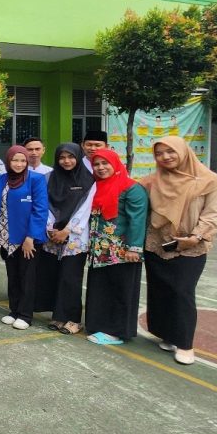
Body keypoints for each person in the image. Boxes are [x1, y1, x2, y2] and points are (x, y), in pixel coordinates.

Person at [140, 136, 217, 365]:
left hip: (190, 246)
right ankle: (168, 335)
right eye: (159, 153)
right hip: (157, 244)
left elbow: (211, 214)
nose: (165, 157)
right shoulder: (151, 181)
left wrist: (195, 237)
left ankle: (185, 344)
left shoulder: (208, 180)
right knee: (160, 291)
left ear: (183, 152)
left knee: (182, 291)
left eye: (171, 151)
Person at [84, 148, 147, 346]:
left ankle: (116, 331)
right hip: (99, 250)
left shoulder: (131, 188)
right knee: (101, 289)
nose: (101, 168)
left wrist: (134, 248)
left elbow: (138, 219)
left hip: (122, 251)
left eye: (105, 163)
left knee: (121, 290)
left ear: (115, 164)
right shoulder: (96, 186)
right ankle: (98, 325)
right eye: (96, 164)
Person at [37, 143, 95, 335]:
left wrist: (67, 230)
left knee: (71, 278)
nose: (66, 161)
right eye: (62, 157)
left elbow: (85, 210)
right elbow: (43, 204)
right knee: (54, 276)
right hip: (52, 236)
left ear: (78, 158)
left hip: (75, 238)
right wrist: (51, 228)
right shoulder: (49, 178)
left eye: (71, 157)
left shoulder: (89, 180)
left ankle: (73, 319)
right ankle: (59, 315)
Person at [0, 146, 49, 330]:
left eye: (22, 161)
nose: (19, 164)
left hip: (28, 239)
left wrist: (31, 237)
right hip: (7, 236)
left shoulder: (36, 179)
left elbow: (40, 210)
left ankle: (26, 315)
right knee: (13, 276)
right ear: (8, 161)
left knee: (27, 277)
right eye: (15, 160)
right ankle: (14, 311)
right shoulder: (3, 179)